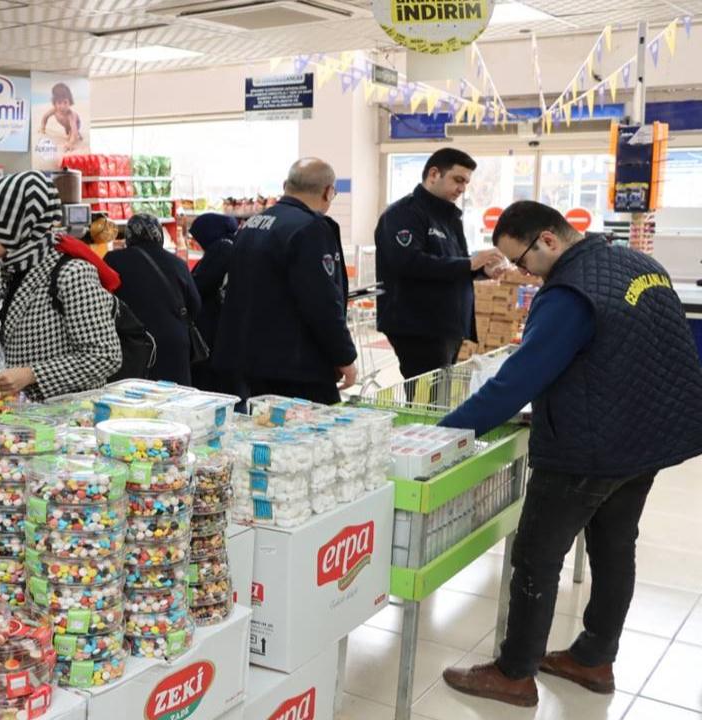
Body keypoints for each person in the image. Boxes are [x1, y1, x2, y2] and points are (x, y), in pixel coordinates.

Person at [440, 201, 702, 707]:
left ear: (549, 241)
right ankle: (593, 658)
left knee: (536, 556)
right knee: (614, 547)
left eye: (522, 261)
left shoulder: (569, 292)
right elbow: (629, 350)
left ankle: (514, 674)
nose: (521, 273)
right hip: (646, 437)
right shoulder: (639, 265)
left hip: (589, 446)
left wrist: (447, 431)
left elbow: (519, 378)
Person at [0, 171, 121, 414]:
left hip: (57, 421)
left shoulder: (71, 274)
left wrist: (32, 374)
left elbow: (104, 356)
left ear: (13, 225)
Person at [212, 159, 356, 405]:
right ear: (328, 192)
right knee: (311, 435)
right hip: (297, 364)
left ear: (285, 185)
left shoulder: (253, 224)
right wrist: (344, 357)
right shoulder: (310, 229)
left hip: (250, 358)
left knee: (265, 430)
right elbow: (321, 301)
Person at [374, 148, 504, 382]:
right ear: (434, 174)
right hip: (418, 326)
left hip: (447, 325)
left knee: (440, 398)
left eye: (466, 182)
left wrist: (481, 270)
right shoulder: (403, 214)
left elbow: (453, 264)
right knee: (428, 401)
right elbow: (407, 263)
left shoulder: (449, 218)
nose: (463, 188)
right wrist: (469, 263)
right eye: (458, 180)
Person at [104, 214, 201, 385]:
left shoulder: (114, 260)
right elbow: (195, 305)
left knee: (135, 402)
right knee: (176, 400)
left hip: (134, 343)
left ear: (129, 235)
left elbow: (104, 301)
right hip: (174, 342)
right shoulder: (178, 263)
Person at [187, 213, 239, 395]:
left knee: (212, 384)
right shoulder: (233, 245)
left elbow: (201, 284)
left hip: (214, 325)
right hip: (228, 326)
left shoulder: (221, 249)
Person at [39, 83, 83, 152]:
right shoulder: (54, 110)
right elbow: (45, 117)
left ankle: (78, 136)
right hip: (66, 125)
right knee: (68, 132)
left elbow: (74, 130)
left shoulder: (70, 115)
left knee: (71, 135)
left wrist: (70, 143)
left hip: (76, 123)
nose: (62, 106)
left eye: (65, 102)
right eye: (59, 102)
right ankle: (72, 134)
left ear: (70, 102)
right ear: (55, 103)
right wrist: (42, 128)